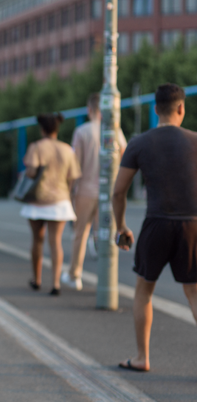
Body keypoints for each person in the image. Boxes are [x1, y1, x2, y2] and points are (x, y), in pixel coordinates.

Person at [113, 83, 197, 373]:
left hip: (156, 223)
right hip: (192, 225)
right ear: (181, 108)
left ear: (155, 109)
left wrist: (121, 225)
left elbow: (118, 192)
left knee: (144, 291)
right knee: (194, 292)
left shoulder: (139, 143)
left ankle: (141, 357)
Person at [61, 93, 128, 290]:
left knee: (80, 234)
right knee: (106, 235)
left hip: (85, 190)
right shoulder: (114, 130)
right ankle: (108, 280)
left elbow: (75, 166)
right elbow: (124, 153)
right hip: (108, 192)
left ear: (89, 109)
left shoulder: (82, 131)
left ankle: (75, 274)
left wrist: (70, 191)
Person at [20, 113, 81, 296]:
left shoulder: (36, 147)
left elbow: (31, 172)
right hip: (60, 202)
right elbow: (73, 177)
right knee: (56, 242)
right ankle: (56, 283)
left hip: (37, 200)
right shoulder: (67, 150)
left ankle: (37, 279)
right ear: (57, 128)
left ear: (42, 129)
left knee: (37, 240)